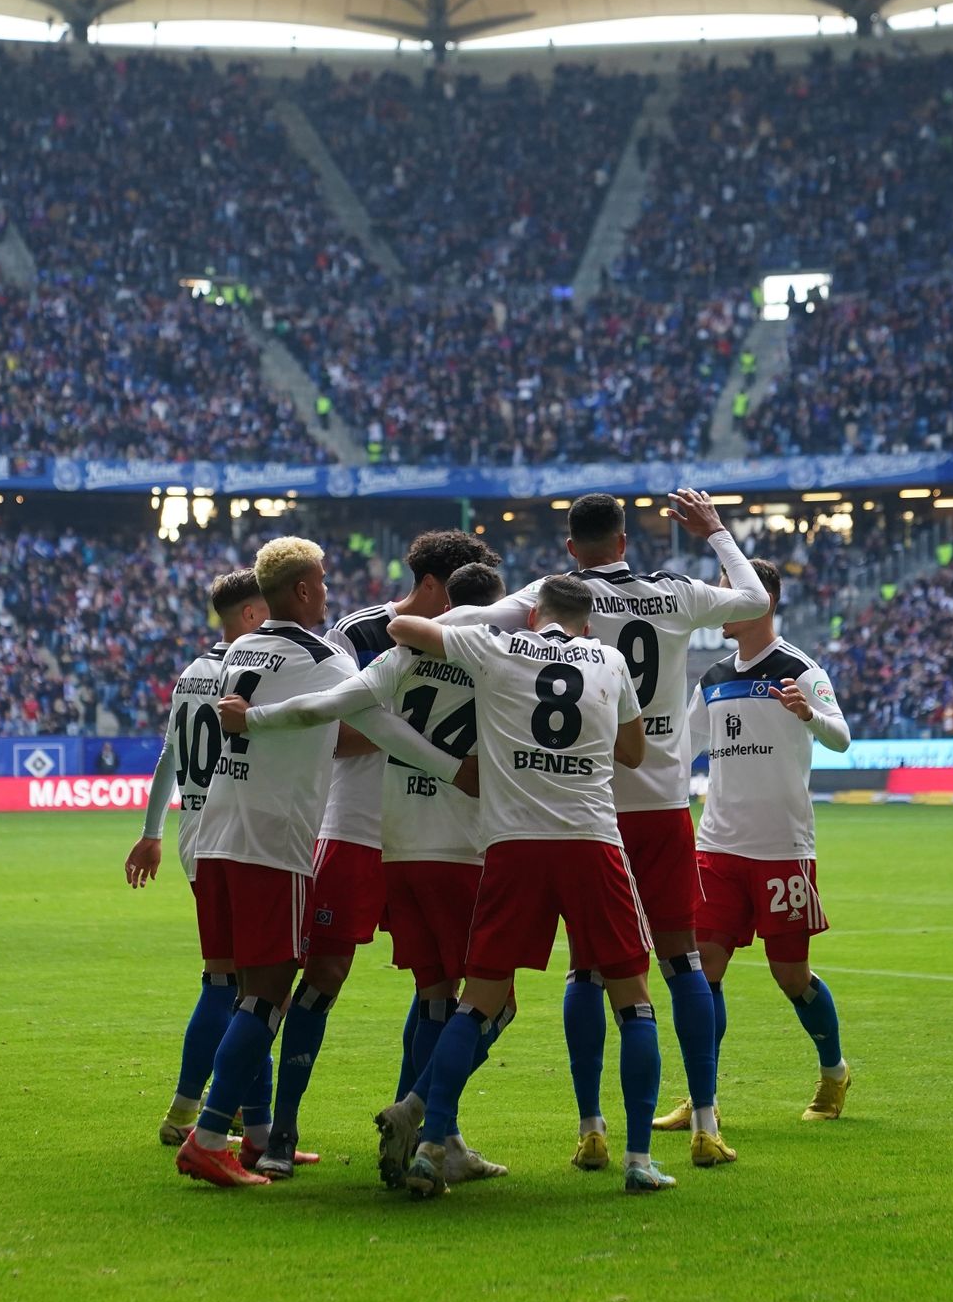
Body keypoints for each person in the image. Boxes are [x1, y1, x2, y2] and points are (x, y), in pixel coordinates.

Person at [441, 489, 766, 1172]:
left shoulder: (553, 594)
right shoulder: (674, 593)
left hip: (582, 810)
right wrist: (714, 532)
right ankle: (705, 1121)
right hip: (660, 806)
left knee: (588, 969)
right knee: (682, 964)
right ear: (624, 540)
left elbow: (478, 616)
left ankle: (591, 1126)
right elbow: (755, 598)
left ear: (571, 548)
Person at [173, 538, 460, 1188]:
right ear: (302, 590)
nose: (329, 591)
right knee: (270, 996)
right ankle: (209, 1134)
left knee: (251, 992)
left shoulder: (241, 648)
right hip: (272, 841)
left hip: (218, 831)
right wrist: (447, 764)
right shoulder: (326, 654)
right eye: (322, 581)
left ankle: (259, 1135)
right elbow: (370, 728)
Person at [376, 575, 672, 1197]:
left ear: (534, 614)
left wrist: (494, 621)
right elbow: (635, 754)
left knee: (477, 998)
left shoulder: (496, 646)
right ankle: (640, 1160)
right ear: (586, 624)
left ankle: (431, 1144)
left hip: (513, 847)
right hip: (590, 842)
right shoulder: (610, 658)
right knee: (634, 1001)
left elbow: (401, 628)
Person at [260, 530, 496, 1179]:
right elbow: (336, 735)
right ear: (432, 587)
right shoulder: (359, 633)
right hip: (359, 829)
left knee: (437, 989)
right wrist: (406, 729)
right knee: (324, 976)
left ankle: (415, 1130)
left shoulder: (474, 640)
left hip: (432, 834)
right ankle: (281, 1129)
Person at [663, 559, 853, 1161]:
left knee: (790, 977)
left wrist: (809, 714)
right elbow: (682, 749)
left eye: (728, 588)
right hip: (716, 846)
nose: (721, 598)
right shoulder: (713, 677)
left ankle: (834, 1072)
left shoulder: (801, 668)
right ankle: (702, 1100)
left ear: (761, 599)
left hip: (782, 851)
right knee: (704, 970)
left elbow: (842, 737)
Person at [126, 571, 306, 1170]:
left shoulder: (193, 673)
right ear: (255, 614)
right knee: (234, 983)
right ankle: (186, 1113)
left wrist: (152, 833)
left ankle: (254, 1129)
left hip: (194, 829)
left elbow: (170, 756)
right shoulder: (257, 670)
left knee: (244, 984)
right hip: (236, 831)